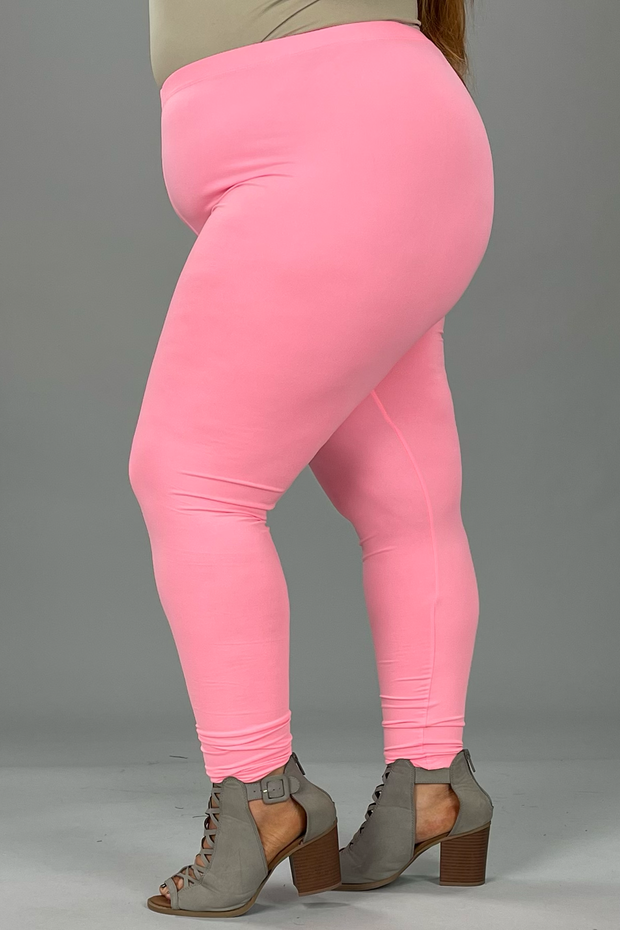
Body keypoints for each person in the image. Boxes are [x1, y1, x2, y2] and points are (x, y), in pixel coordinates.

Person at [129, 0, 495, 918]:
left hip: (328, 153)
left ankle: (261, 798)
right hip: (406, 135)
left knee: (191, 482)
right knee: (404, 502)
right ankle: (433, 786)